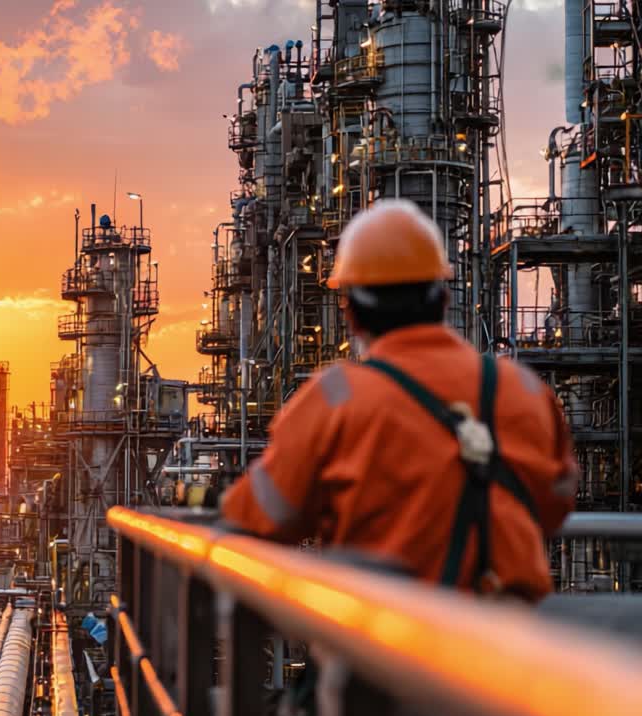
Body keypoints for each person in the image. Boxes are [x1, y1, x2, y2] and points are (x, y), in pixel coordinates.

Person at [190, 200, 577, 601]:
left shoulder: (336, 398)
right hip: (516, 648)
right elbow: (556, 505)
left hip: (388, 642)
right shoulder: (524, 390)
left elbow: (260, 517)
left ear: (352, 312)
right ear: (443, 297)